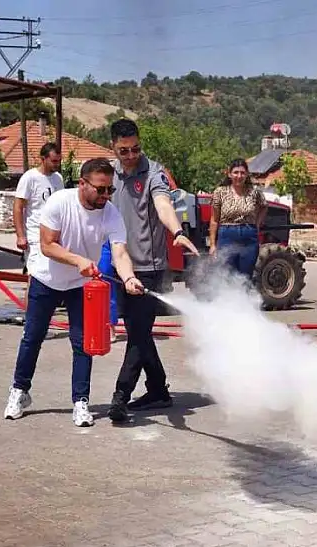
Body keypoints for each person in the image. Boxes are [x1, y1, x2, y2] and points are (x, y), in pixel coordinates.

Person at [3, 158, 144, 426]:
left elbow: (120, 252)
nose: (105, 195)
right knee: (32, 337)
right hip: (47, 280)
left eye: (109, 190)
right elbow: (47, 246)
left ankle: (81, 401)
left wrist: (128, 277)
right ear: (82, 183)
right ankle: (19, 391)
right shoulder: (59, 202)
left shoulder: (111, 213)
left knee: (82, 344)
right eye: (100, 189)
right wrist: (79, 261)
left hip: (80, 287)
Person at [105, 119, 200, 424]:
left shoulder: (153, 172)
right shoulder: (108, 173)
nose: (131, 155)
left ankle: (121, 396)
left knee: (137, 335)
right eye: (124, 150)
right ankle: (158, 389)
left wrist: (176, 231)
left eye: (135, 148)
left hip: (148, 267)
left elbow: (163, 204)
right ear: (113, 147)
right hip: (119, 265)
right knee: (139, 332)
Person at [209, 158, 266, 281]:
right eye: (235, 172)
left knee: (246, 277)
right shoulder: (220, 192)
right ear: (229, 174)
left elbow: (264, 207)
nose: (239, 176)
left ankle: (244, 300)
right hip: (227, 235)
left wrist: (257, 224)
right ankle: (227, 300)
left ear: (246, 174)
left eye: (242, 173)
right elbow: (214, 220)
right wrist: (213, 245)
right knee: (226, 275)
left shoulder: (254, 192)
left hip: (249, 237)